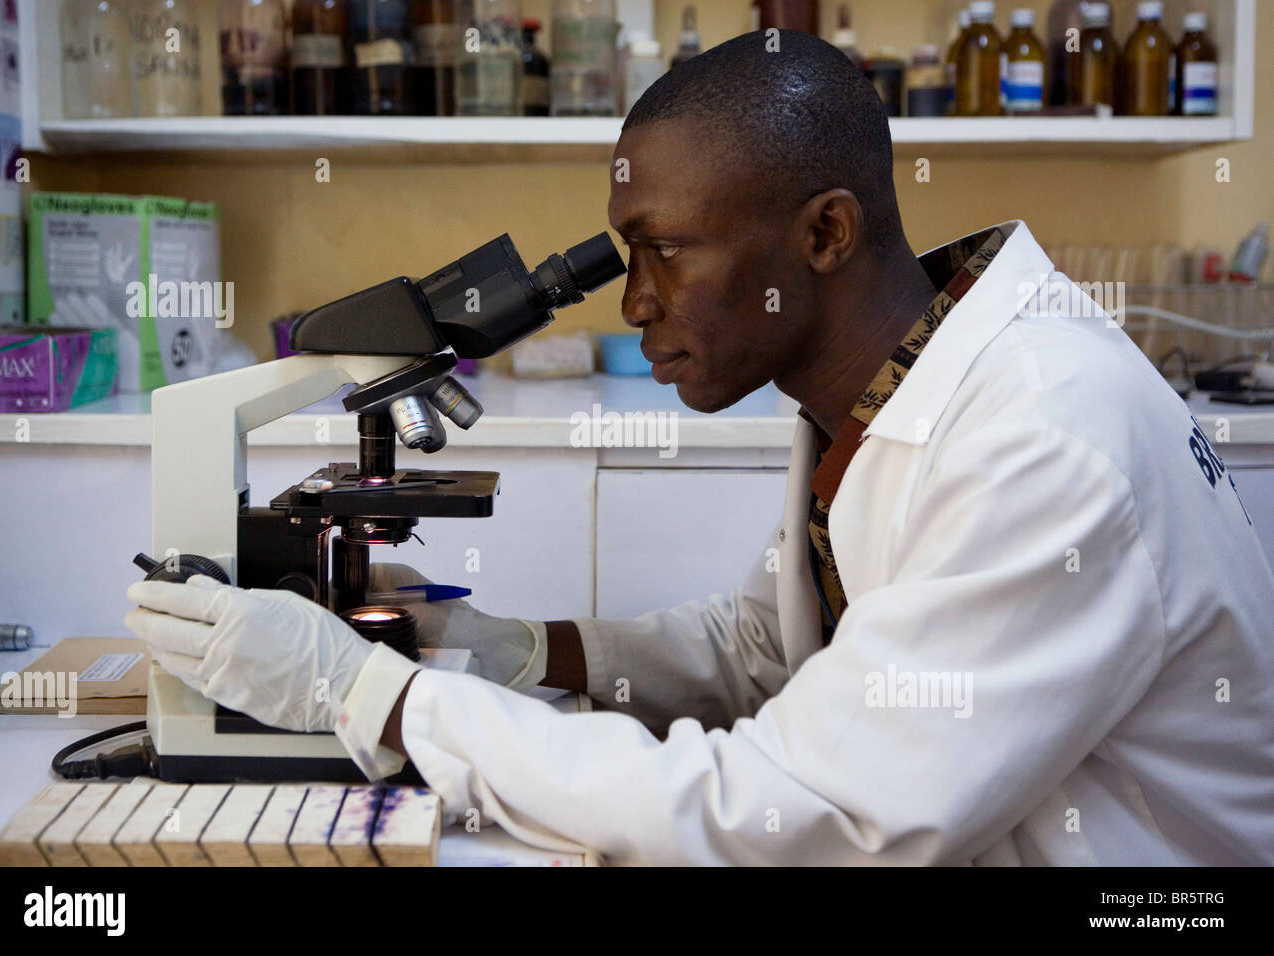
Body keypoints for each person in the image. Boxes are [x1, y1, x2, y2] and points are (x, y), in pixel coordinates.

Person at [127, 31, 1274, 865]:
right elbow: (771, 644)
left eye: (664, 250)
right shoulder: (898, 379)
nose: (631, 303)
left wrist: (372, 697)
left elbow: (799, 815)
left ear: (823, 231)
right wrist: (524, 649)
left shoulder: (1035, 439)